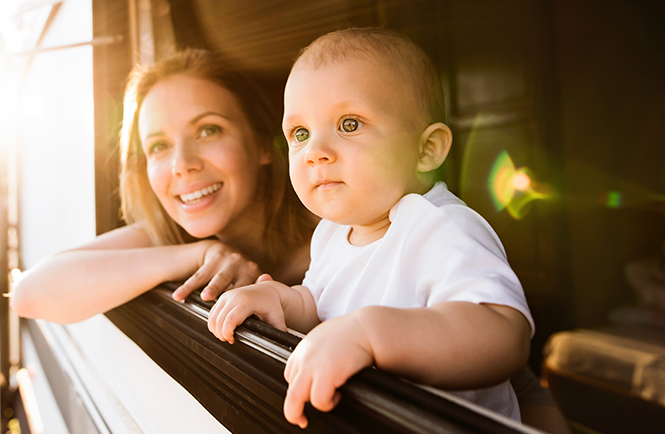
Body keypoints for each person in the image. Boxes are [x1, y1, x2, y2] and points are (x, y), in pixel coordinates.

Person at [207, 28, 534, 427]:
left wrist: (370, 334)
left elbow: (503, 335)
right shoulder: (331, 232)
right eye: (300, 134)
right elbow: (320, 308)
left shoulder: (440, 226)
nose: (315, 153)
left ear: (426, 149)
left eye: (349, 124)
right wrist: (281, 300)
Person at [10, 49, 317, 323]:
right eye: (159, 146)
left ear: (263, 143)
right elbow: (30, 294)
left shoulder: (340, 235)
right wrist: (199, 254)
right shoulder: (169, 234)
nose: (181, 164)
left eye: (208, 130)